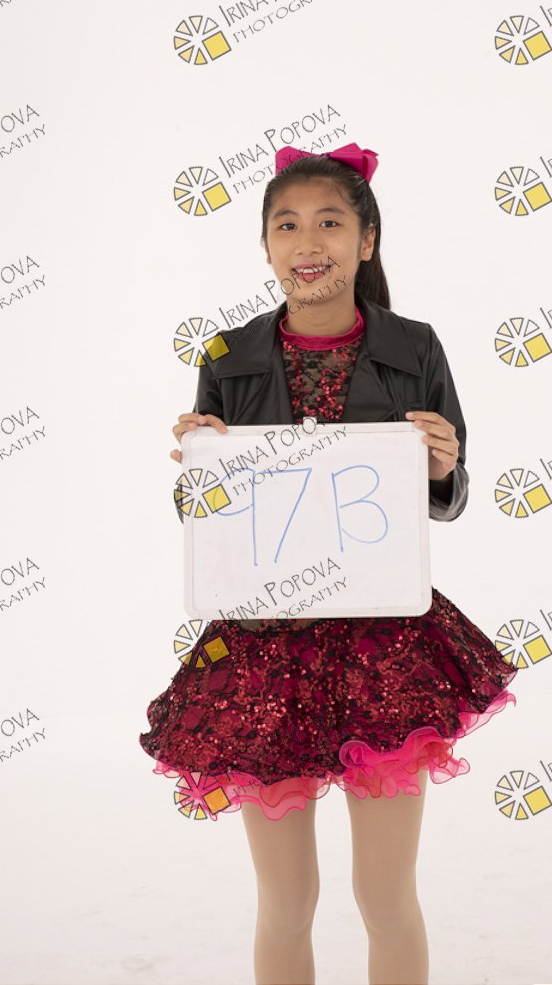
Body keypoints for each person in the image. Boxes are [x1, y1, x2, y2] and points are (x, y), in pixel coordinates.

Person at [139, 141, 518, 985]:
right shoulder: (226, 356)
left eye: (330, 223)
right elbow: (205, 518)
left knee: (385, 893)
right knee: (286, 901)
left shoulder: (415, 345)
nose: (308, 241)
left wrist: (442, 465)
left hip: (385, 644)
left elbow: (448, 497)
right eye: (287, 225)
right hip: (262, 646)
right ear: (266, 246)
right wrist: (201, 470)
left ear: (366, 240)